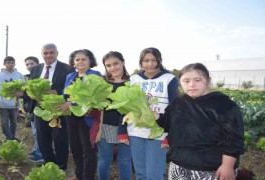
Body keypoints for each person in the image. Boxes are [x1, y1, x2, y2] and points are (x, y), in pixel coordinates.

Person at [155, 63, 245, 180]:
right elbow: (167, 124)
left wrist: (227, 166)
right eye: (186, 81)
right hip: (179, 166)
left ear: (208, 80)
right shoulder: (178, 103)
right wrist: (155, 116)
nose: (191, 85)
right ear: (180, 83)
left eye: (197, 80)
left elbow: (233, 139)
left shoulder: (224, 105)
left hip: (211, 169)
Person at [128, 47, 179, 180]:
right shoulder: (133, 79)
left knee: (154, 174)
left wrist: (170, 135)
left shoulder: (169, 78)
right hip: (135, 131)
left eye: (153, 60)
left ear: (159, 61)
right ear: (141, 62)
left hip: (159, 132)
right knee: (140, 173)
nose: (150, 64)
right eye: (146, 60)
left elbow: (174, 108)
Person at [27, 43, 73, 170]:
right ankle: (49, 164)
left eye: (51, 52)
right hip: (40, 108)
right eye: (45, 53)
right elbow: (30, 87)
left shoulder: (67, 68)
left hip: (59, 108)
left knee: (61, 139)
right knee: (42, 139)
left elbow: (71, 89)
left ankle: (61, 166)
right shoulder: (35, 69)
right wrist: (29, 94)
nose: (48, 55)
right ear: (41, 54)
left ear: (57, 53)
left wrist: (57, 92)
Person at [57, 49, 101, 180]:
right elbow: (66, 96)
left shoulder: (95, 75)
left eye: (84, 59)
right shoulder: (70, 76)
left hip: (87, 117)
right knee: (75, 148)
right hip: (71, 117)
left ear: (90, 61)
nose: (80, 62)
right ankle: (78, 175)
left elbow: (94, 97)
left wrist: (73, 104)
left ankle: (88, 177)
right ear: (73, 62)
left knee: (88, 150)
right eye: (77, 59)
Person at [97, 51, 132, 180]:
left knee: (124, 160)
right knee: (105, 160)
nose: (113, 68)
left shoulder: (132, 83)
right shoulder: (102, 83)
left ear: (123, 62)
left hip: (127, 127)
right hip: (106, 126)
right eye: (109, 65)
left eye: (116, 63)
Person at [0, 56, 25, 141]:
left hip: (15, 103)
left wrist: (21, 94)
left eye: (12, 62)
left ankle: (12, 137)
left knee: (13, 122)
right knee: (4, 122)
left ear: (15, 64)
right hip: (2, 102)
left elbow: (23, 87)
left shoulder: (19, 75)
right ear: (4, 64)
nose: (10, 64)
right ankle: (9, 137)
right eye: (8, 63)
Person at [22, 56, 44, 164]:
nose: (29, 66)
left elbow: (31, 95)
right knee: (35, 132)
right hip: (31, 110)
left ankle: (40, 154)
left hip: (38, 109)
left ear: (38, 64)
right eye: (27, 64)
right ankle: (36, 151)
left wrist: (22, 94)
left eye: (32, 63)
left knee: (38, 133)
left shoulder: (41, 77)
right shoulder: (28, 78)